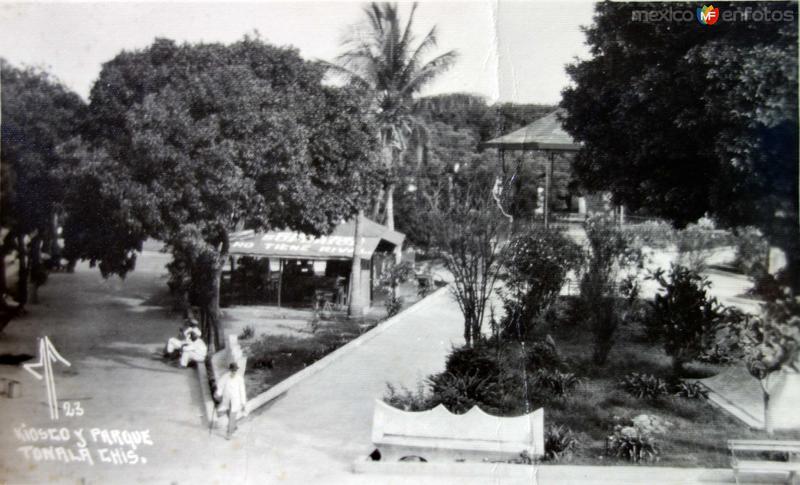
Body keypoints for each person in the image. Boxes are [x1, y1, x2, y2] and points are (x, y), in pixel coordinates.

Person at [214, 362, 247, 439]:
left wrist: (243, 402)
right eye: (232, 370)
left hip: (236, 400)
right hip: (227, 399)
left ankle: (229, 433)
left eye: (235, 371)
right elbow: (220, 387)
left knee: (232, 415)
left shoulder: (239, 379)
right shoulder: (225, 377)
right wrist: (218, 394)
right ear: (230, 370)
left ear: (236, 371)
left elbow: (242, 391)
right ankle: (234, 426)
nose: (233, 372)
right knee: (228, 413)